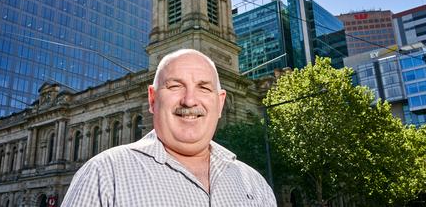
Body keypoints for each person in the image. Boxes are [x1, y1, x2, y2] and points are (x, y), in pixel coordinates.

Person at [61, 48, 277, 206]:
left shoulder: (255, 184)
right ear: (153, 99)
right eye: (175, 86)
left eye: (203, 87)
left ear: (220, 103)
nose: (189, 100)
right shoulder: (104, 175)